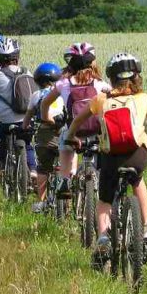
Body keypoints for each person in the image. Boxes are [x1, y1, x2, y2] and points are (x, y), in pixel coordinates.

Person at [68, 52, 147, 257]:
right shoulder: (143, 98)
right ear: (136, 77)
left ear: (111, 78)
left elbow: (76, 122)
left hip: (110, 156)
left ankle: (102, 239)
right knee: (137, 181)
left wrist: (72, 137)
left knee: (105, 199)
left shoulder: (100, 100)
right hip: (137, 154)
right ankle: (146, 227)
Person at [38, 42, 111, 200]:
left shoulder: (64, 83)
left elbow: (45, 104)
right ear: (92, 63)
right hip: (97, 133)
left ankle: (65, 180)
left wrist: (47, 119)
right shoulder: (100, 84)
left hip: (74, 133)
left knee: (65, 142)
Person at [0, 37, 37, 178]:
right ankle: (33, 170)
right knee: (28, 143)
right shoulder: (27, 72)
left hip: (6, 121)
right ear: (17, 56)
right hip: (26, 119)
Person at [22, 62, 64, 212]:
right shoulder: (62, 93)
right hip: (62, 133)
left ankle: (41, 201)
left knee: (43, 169)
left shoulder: (35, 95)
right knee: (64, 165)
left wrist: (24, 128)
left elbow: (27, 119)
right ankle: (67, 197)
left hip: (44, 135)